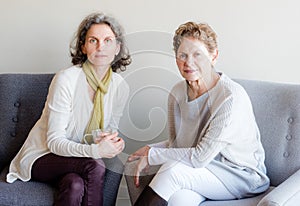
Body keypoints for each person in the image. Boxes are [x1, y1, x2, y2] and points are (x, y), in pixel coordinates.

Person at [127, 21, 270, 206]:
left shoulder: (230, 97)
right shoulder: (177, 92)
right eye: (182, 55)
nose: (189, 63)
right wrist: (150, 149)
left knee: (171, 171)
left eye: (197, 54)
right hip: (200, 171)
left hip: (240, 175)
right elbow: (176, 144)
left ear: (213, 56)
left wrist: (153, 155)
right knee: (177, 199)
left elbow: (199, 157)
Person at [6, 12, 131, 205]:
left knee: (75, 186)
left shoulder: (120, 86)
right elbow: (55, 142)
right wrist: (96, 151)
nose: (101, 47)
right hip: (43, 157)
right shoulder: (66, 79)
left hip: (76, 163)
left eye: (108, 40)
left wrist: (113, 142)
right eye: (93, 40)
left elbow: (108, 130)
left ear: (117, 48)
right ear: (83, 46)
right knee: (95, 166)